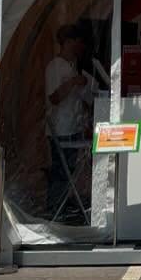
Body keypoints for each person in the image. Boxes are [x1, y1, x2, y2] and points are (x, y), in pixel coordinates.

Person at [45, 24, 96, 220]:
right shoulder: (54, 66)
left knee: (70, 171)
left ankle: (62, 205)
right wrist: (73, 82)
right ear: (68, 42)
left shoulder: (72, 65)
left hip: (73, 127)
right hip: (60, 129)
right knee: (61, 171)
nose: (80, 46)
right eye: (77, 42)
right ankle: (54, 208)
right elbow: (54, 98)